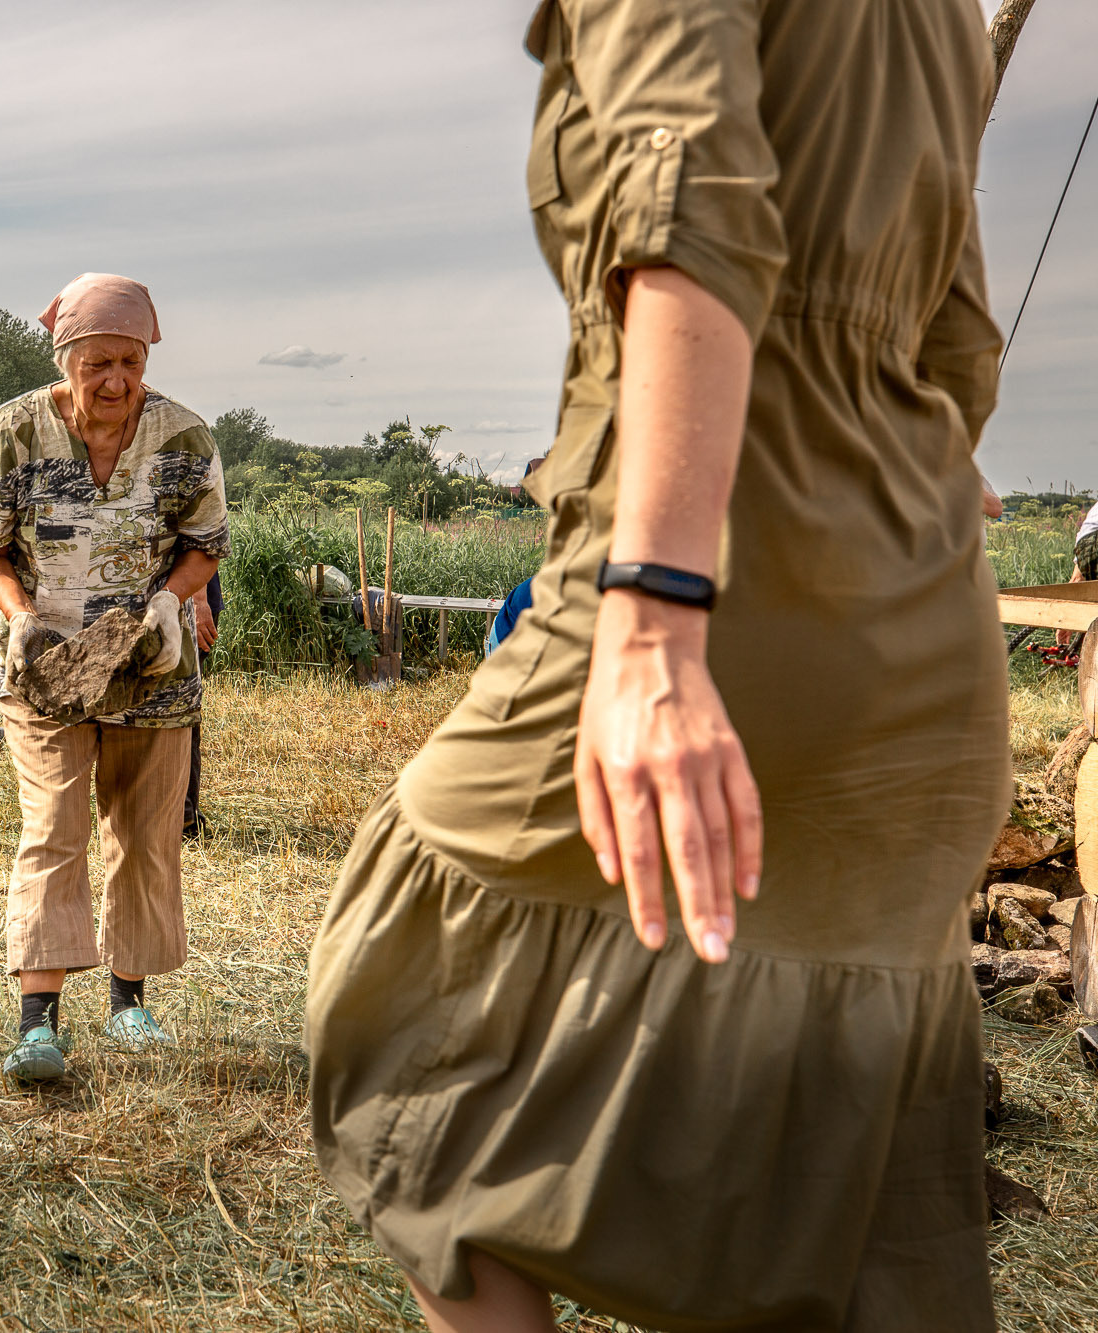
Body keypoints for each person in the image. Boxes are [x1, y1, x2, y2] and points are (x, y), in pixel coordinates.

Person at [306, 5, 1007, 1331]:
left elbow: (693, 213)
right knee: (831, 1137)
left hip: (715, 572)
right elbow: (958, 329)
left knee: (403, 1012)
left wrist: (655, 621)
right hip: (924, 611)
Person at [0, 272, 229, 1082]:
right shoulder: (11, 433)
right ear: (64, 359)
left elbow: (206, 544)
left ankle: (129, 1002)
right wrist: (19, 613)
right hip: (46, 667)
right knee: (54, 826)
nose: (116, 381)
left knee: (144, 836)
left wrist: (172, 602)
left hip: (152, 670)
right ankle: (38, 1023)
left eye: (131, 362)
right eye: (98, 363)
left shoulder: (185, 439)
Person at [182, 572, 221, 840]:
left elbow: (200, 548)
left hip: (186, 604)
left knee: (179, 712)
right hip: (171, 603)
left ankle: (184, 818)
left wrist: (197, 601)